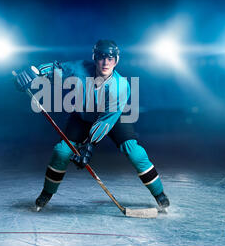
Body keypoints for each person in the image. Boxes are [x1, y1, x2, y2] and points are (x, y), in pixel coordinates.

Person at [14, 40, 170, 212]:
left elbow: (105, 121)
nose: (106, 62)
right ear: (94, 58)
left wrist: (89, 146)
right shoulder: (79, 69)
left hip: (111, 118)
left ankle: (160, 195)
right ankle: (46, 194)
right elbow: (54, 70)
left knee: (134, 151)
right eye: (102, 57)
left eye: (110, 58)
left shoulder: (121, 87)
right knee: (62, 151)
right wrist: (33, 73)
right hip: (82, 116)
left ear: (116, 61)